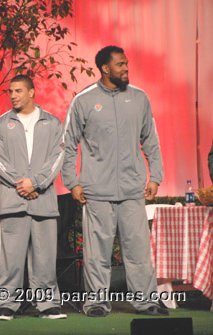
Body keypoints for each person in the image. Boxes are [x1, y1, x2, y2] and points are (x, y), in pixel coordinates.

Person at [61, 46, 168, 317]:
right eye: (120, 65)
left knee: (139, 253)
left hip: (133, 191)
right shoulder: (83, 101)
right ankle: (96, 303)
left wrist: (155, 176)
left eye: (126, 64)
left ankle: (147, 302)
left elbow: (151, 142)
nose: (126, 69)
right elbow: (68, 144)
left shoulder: (140, 98)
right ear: (105, 68)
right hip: (97, 192)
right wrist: (72, 182)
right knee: (97, 254)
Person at [0, 75, 66, 321]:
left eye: (18, 91)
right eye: (10, 91)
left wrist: (36, 183)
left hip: (43, 201)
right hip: (13, 200)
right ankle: (5, 304)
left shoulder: (53, 123)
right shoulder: (1, 124)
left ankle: (48, 304)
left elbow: (57, 157)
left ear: (32, 92)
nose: (13, 95)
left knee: (44, 257)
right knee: (9, 259)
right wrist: (22, 183)